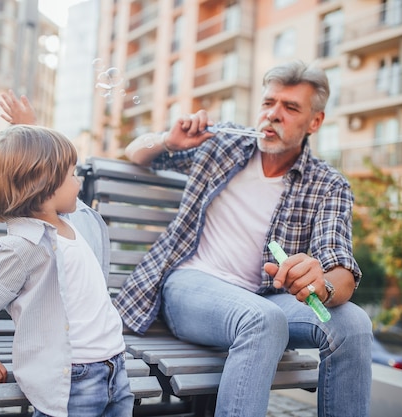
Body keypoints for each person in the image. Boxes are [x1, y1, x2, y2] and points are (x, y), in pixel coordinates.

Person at [114, 60, 373, 417]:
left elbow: (342, 272)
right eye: (269, 103)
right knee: (262, 320)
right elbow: (136, 151)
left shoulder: (327, 184)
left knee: (353, 325)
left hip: (265, 298)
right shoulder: (223, 143)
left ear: (315, 122)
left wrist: (322, 284)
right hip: (191, 285)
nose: (273, 115)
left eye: (290, 107)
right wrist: (167, 141)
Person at [0, 124, 134, 417]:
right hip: (74, 377)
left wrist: (31, 123)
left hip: (114, 365)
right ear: (45, 183)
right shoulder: (22, 245)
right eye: (72, 174)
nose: (78, 182)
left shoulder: (70, 224)